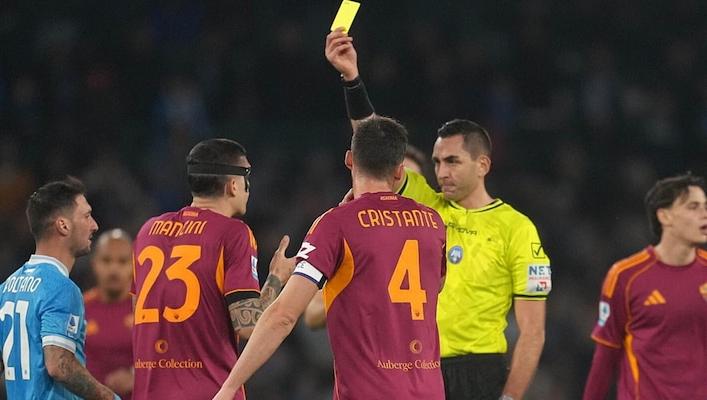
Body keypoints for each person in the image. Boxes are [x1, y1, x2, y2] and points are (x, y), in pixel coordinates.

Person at [325, 28, 552, 400]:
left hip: (480, 373)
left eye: (453, 161)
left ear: (483, 165)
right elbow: (374, 142)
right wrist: (352, 79)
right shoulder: (424, 206)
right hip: (419, 369)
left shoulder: (516, 228)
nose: (442, 172)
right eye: (436, 162)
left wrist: (510, 397)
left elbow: (533, 331)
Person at [214, 116, 448, 400]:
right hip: (429, 390)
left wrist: (229, 388)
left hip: (369, 393)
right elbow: (435, 286)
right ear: (399, 172)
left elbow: (283, 316)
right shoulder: (433, 222)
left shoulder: (337, 225)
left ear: (349, 160)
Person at [131, 138, 294, 399]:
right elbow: (250, 326)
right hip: (210, 391)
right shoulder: (233, 233)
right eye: (246, 176)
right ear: (233, 185)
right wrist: (276, 278)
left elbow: (137, 314)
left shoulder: (147, 231)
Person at [0, 177, 120, 400]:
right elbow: (59, 365)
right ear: (63, 226)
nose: (94, 225)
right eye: (87, 216)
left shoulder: (1, 293)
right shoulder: (62, 289)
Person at [582, 173, 707, 399]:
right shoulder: (625, 276)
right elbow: (605, 357)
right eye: (693, 207)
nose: (704, 214)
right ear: (664, 216)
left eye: (705, 206)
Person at [303, 143, 435, 329]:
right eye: (396, 182)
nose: (399, 191)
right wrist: (357, 284)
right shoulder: (357, 240)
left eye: (408, 185)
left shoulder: (436, 240)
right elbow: (312, 315)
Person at [83, 229, 135, 399]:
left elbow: (166, 357)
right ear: (94, 263)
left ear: (134, 264)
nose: (114, 269)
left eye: (122, 261)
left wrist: (135, 376)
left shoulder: (147, 309)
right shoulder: (79, 307)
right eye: (106, 261)